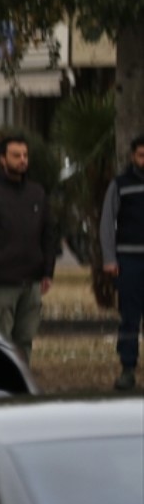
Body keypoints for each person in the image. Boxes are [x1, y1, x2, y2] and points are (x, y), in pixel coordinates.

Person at [0, 133, 56, 362]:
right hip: (1, 283)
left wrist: (48, 271)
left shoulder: (37, 193)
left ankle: (22, 386)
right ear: (2, 159)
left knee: (25, 339)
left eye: (25, 155)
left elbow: (48, 234)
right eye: (16, 155)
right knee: (0, 340)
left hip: (33, 283)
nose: (22, 160)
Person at [99, 132, 144, 390]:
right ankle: (127, 368)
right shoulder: (120, 184)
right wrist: (109, 258)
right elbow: (107, 223)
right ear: (132, 157)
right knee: (129, 318)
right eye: (141, 156)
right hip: (128, 261)